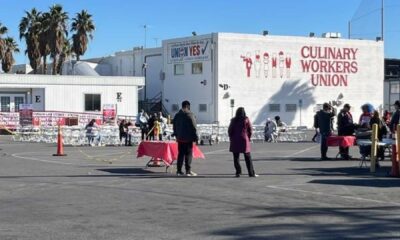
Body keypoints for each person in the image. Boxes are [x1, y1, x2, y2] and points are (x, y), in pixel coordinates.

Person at [228, 107, 258, 177]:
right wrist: (248, 138)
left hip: (235, 139)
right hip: (244, 139)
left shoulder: (233, 120)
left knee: (236, 157)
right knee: (247, 157)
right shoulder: (246, 119)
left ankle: (238, 172)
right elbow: (250, 130)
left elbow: (230, 130)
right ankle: (251, 173)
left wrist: (231, 137)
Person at [173, 100, 199, 176]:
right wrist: (196, 137)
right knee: (188, 155)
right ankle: (188, 171)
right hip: (188, 139)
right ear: (188, 106)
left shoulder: (177, 115)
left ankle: (179, 171)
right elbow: (194, 127)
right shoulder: (190, 114)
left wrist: (176, 134)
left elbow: (174, 126)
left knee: (180, 154)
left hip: (180, 138)